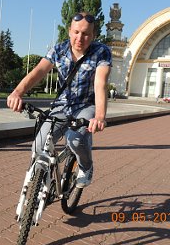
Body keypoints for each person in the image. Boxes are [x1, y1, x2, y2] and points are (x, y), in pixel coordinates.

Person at [7, 12, 112, 188]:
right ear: (70, 31)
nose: (80, 37)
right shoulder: (58, 50)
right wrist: (17, 92)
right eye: (76, 32)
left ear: (93, 35)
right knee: (38, 146)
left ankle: (86, 167)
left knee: (75, 139)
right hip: (62, 105)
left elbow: (100, 83)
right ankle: (39, 186)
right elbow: (39, 72)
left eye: (86, 34)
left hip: (86, 105)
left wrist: (100, 116)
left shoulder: (101, 52)